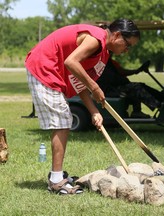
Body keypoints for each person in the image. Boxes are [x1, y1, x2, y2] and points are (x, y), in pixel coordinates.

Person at [25, 19, 140, 195]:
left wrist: (94, 111)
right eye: (128, 44)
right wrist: (95, 87)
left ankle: (57, 175)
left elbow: (78, 80)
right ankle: (56, 180)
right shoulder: (96, 38)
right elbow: (71, 62)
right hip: (44, 66)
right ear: (117, 35)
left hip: (53, 69)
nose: (127, 50)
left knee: (64, 119)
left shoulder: (103, 54)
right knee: (62, 120)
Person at [97, 57, 164, 118]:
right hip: (111, 89)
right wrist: (136, 71)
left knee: (140, 85)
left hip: (117, 86)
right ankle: (158, 105)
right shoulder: (103, 62)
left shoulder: (109, 61)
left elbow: (120, 72)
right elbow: (121, 72)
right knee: (136, 87)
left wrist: (136, 71)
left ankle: (161, 97)